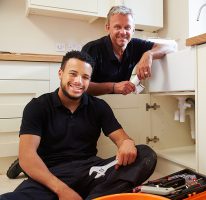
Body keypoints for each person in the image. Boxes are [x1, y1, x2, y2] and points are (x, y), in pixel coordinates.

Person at [0, 51, 157, 200]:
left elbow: (121, 138)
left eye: (85, 77)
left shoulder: (99, 107)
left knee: (145, 154)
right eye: (73, 74)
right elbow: (27, 157)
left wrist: (127, 143)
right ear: (60, 73)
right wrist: (63, 190)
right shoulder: (37, 106)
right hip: (50, 175)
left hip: (91, 171)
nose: (78, 81)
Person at [81, 5, 175, 96]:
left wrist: (149, 54)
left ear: (133, 30)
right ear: (108, 28)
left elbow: (170, 47)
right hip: (92, 105)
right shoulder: (92, 49)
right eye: (117, 27)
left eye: (127, 27)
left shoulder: (135, 44)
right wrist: (113, 87)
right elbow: (81, 84)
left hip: (120, 102)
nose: (123, 32)